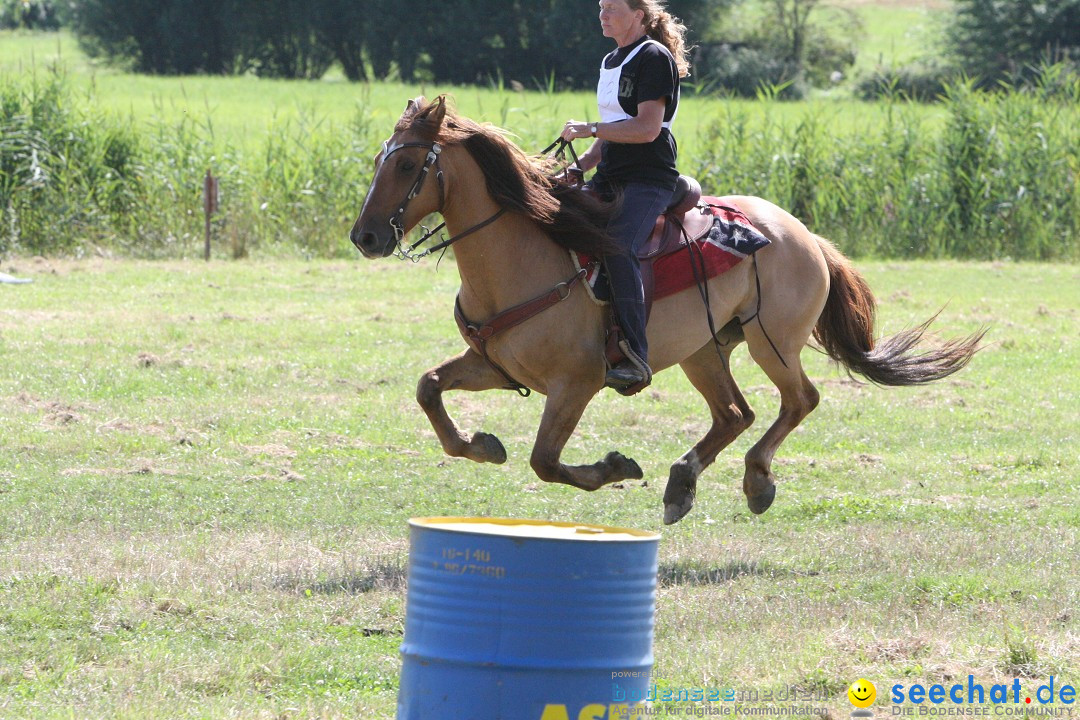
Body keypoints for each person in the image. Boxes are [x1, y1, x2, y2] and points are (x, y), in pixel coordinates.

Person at [561, 0, 691, 392]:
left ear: (638, 15)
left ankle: (635, 354)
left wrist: (590, 128)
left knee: (618, 246)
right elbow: (612, 131)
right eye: (601, 7)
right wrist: (578, 167)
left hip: (648, 180)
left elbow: (647, 129)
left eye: (613, 7)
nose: (603, 14)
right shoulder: (610, 60)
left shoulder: (653, 57)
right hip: (609, 176)